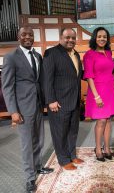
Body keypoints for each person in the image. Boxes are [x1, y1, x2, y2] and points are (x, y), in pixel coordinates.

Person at [1, 26, 53, 193]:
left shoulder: (37, 55)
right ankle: (30, 178)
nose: (28, 37)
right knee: (26, 144)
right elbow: (7, 86)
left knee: (39, 140)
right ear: (19, 37)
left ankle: (38, 167)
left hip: (37, 104)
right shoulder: (11, 57)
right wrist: (13, 111)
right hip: (22, 108)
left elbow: (39, 81)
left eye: (30, 34)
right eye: (24, 34)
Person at [43, 28, 84, 171]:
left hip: (74, 100)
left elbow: (77, 76)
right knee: (60, 132)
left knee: (73, 130)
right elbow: (46, 79)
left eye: (73, 38)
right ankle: (63, 159)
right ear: (61, 37)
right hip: (58, 102)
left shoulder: (76, 54)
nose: (70, 40)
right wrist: (50, 100)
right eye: (67, 37)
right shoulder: (51, 53)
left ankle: (72, 155)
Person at [83, 27, 114, 162]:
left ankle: (107, 148)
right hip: (97, 90)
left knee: (108, 119)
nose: (102, 39)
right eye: (99, 36)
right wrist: (96, 96)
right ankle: (98, 148)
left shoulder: (108, 53)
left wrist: (113, 82)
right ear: (94, 37)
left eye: (104, 36)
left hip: (109, 90)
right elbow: (89, 76)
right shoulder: (89, 54)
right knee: (101, 120)